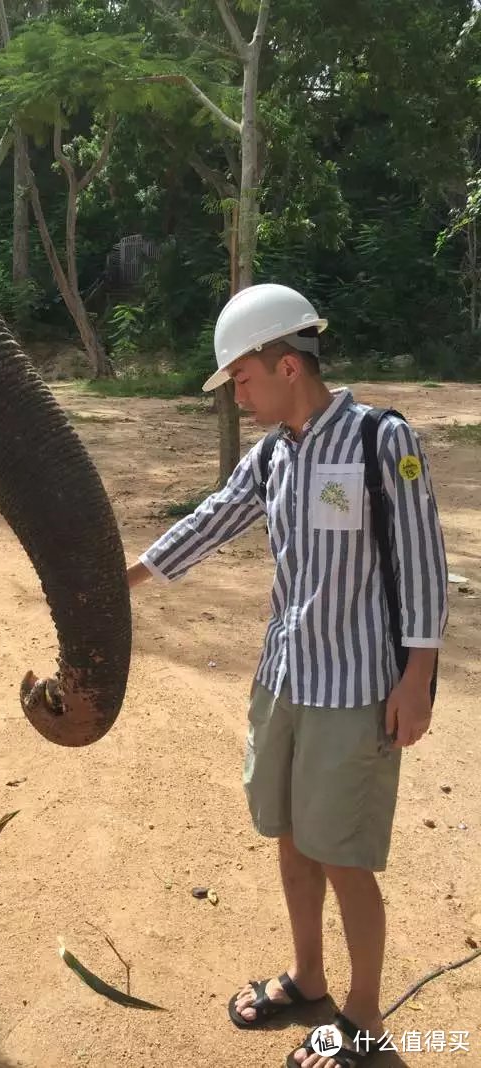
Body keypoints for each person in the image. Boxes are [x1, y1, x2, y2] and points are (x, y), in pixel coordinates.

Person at [128, 284, 449, 1068]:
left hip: (355, 691)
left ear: (285, 367)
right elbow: (213, 518)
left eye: (241, 379)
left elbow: (425, 562)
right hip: (285, 678)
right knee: (292, 837)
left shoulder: (381, 441)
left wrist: (417, 680)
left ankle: (365, 1020)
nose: (236, 394)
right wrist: (123, 579)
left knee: (343, 853)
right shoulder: (271, 455)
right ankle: (309, 979)